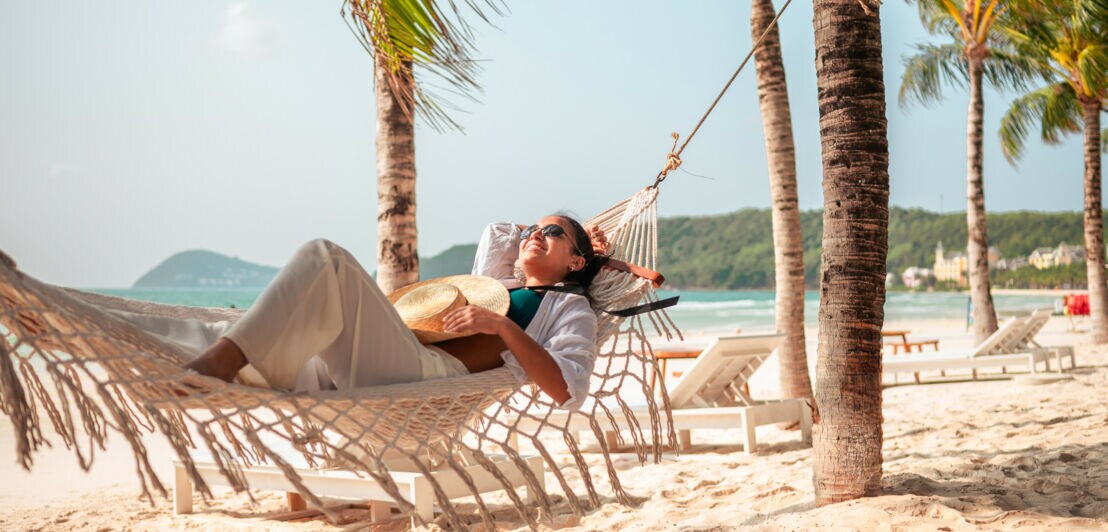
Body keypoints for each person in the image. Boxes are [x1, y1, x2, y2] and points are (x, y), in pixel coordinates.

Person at [184, 215, 610, 409]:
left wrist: (500, 325)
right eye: (533, 229)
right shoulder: (501, 284)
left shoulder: (571, 308)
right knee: (218, 331)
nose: (535, 234)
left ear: (575, 261)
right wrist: (556, 232)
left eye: (552, 233)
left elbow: (566, 390)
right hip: (392, 352)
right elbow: (497, 233)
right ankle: (185, 364)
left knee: (327, 258)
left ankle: (220, 360)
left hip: (426, 371)